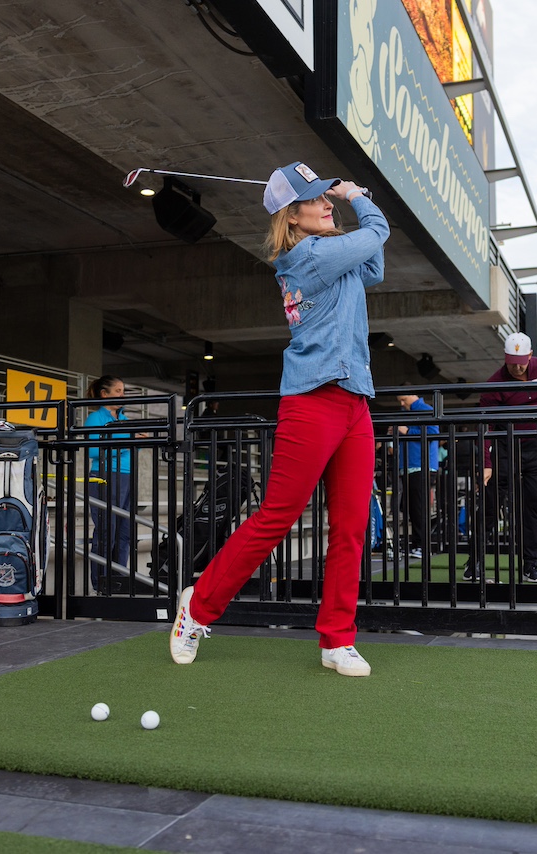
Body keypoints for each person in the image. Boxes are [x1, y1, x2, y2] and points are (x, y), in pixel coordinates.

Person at [170, 161, 388, 678]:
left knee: (352, 527)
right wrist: (359, 197)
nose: (328, 203)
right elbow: (376, 232)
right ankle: (196, 609)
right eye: (318, 199)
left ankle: (337, 640)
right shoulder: (309, 255)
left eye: (328, 197)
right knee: (276, 516)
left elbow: (374, 264)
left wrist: (352, 207)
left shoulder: (334, 254)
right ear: (292, 218)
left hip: (354, 400)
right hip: (312, 400)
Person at [465, 332, 537, 584]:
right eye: (512, 361)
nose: (517, 366)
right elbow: (485, 425)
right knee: (490, 506)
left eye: (521, 360)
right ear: (505, 358)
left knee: (534, 505)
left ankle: (530, 565)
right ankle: (474, 562)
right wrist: (486, 465)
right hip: (505, 447)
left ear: (530, 355)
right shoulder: (494, 384)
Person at [85, 375, 137, 593]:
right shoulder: (95, 418)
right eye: (117, 391)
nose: (122, 395)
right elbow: (93, 450)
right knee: (107, 532)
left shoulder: (124, 418)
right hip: (104, 476)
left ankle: (118, 583)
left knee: (124, 533)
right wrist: (127, 443)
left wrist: (139, 440)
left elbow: (131, 449)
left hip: (126, 476)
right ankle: (101, 584)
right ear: (104, 394)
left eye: (123, 390)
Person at [392, 388, 438, 560]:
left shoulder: (425, 409)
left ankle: (422, 546)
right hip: (411, 466)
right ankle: (418, 545)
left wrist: (406, 431)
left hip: (421, 466)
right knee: (412, 509)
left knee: (418, 509)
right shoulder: (408, 411)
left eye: (404, 399)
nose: (402, 404)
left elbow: (433, 433)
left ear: (413, 395)